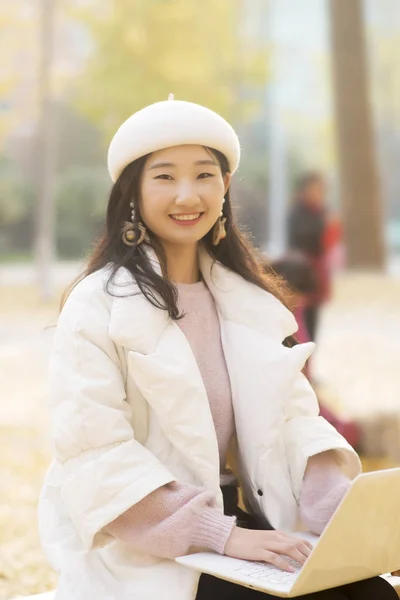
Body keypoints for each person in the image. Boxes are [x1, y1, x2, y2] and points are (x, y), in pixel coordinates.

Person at [38, 98, 399, 600]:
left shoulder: (247, 301)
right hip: (151, 545)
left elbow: (293, 423)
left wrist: (344, 519)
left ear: (225, 186)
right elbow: (95, 456)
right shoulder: (96, 305)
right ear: (132, 194)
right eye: (164, 177)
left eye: (204, 175)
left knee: (372, 594)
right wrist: (223, 536)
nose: (188, 195)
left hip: (247, 524)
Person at [269, 253, 360, 450]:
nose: (297, 300)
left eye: (302, 297)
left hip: (301, 394)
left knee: (348, 431)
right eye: (292, 293)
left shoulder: (297, 310)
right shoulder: (265, 313)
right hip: (277, 402)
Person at [287, 172, 334, 342]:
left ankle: (310, 362)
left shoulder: (321, 212)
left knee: (314, 319)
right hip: (302, 273)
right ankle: (302, 363)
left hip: (317, 271)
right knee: (301, 321)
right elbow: (300, 240)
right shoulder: (297, 213)